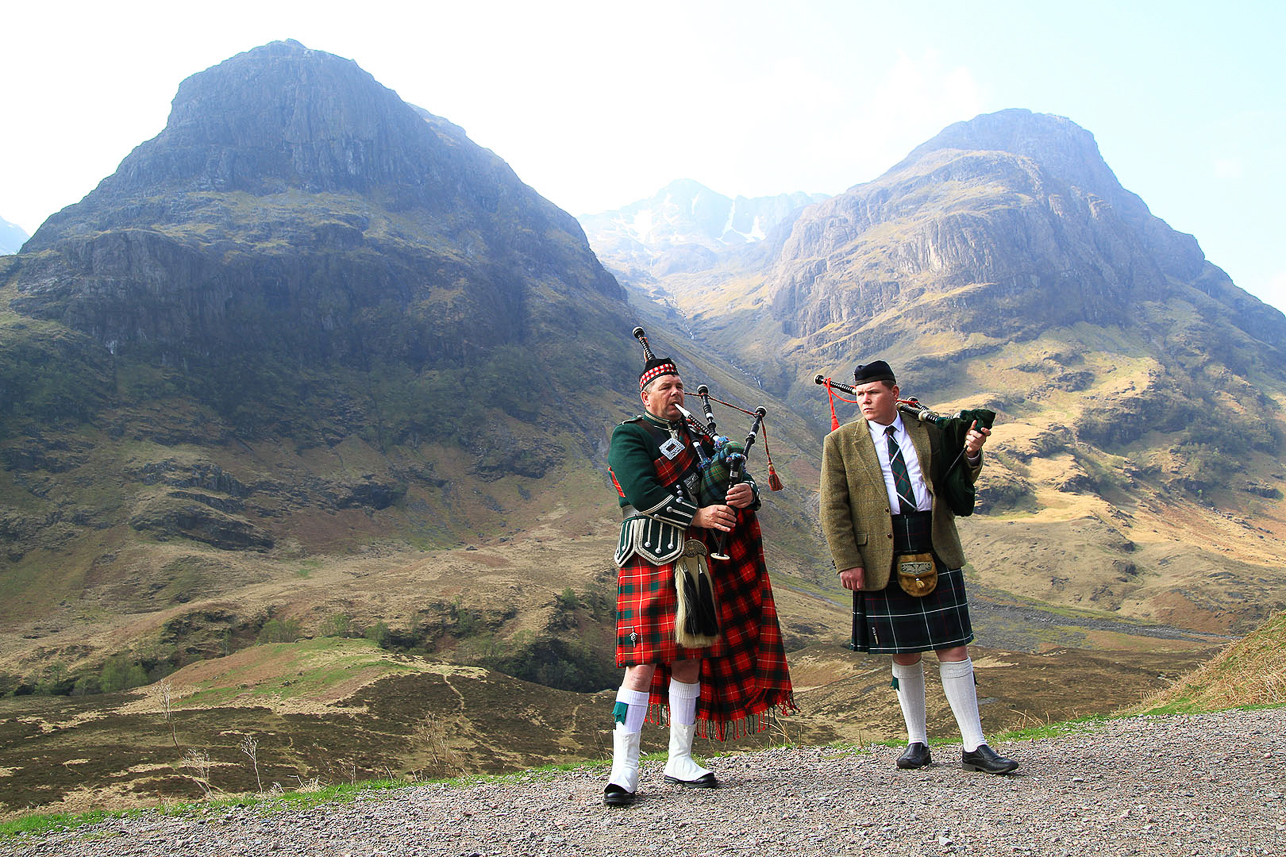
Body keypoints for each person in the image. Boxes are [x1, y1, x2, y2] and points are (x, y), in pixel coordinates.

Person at [603, 350, 795, 807]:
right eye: (666, 387)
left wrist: (745, 493)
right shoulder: (630, 436)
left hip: (694, 557)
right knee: (642, 663)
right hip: (650, 554)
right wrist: (699, 513)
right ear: (646, 394)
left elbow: (726, 478)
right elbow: (641, 493)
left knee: (690, 656)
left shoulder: (698, 434)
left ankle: (679, 759)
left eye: (680, 386)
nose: (676, 393)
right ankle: (623, 771)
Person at [819, 360, 1018, 775]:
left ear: (894, 392)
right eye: (859, 395)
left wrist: (973, 453)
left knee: (954, 645)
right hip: (880, 553)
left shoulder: (926, 430)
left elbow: (955, 477)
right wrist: (848, 561)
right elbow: (833, 508)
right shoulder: (840, 442)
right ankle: (917, 742)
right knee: (904, 650)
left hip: (932, 541)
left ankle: (974, 745)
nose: (864, 401)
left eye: (873, 392)